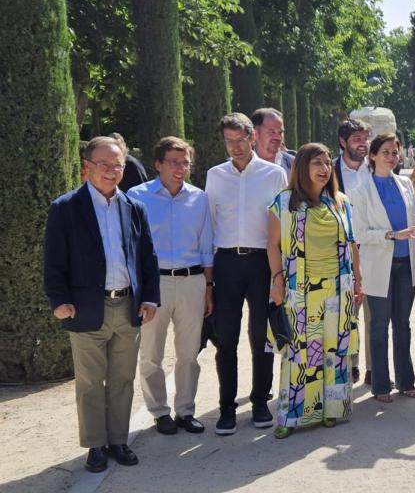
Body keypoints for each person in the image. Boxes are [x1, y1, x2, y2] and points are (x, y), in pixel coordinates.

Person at [44, 136, 160, 472]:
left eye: (118, 164)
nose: (112, 171)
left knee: (122, 379)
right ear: (87, 168)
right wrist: (60, 300)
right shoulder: (65, 209)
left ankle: (118, 441)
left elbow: (147, 257)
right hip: (85, 308)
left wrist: (150, 297)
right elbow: (54, 262)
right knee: (91, 383)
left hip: (128, 307)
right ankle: (95, 446)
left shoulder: (133, 207)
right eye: (104, 164)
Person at [267, 143, 363, 438]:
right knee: (299, 352)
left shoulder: (340, 201)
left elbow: (351, 243)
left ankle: (331, 409)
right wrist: (278, 279)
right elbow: (273, 244)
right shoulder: (283, 202)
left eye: (327, 163)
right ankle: (290, 415)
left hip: (339, 287)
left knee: (334, 350)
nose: (324, 169)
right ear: (302, 168)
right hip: (301, 288)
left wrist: (358, 280)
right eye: (316, 163)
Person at [206, 113, 288, 436]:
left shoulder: (273, 174)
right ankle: (227, 407)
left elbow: (283, 224)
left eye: (240, 140)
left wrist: (279, 274)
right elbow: (208, 225)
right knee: (226, 338)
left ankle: (259, 402)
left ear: (252, 137)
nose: (235, 147)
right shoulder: (215, 176)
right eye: (229, 141)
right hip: (226, 262)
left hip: (261, 264)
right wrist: (208, 279)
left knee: (261, 337)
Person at [128, 137, 213, 436]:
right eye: (174, 162)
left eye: (185, 162)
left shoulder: (199, 198)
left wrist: (208, 287)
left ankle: (186, 411)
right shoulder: (136, 196)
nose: (181, 168)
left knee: (189, 352)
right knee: (151, 353)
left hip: (192, 282)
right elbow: (132, 246)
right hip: (156, 283)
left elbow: (206, 245)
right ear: (158, 165)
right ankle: (159, 412)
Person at [349, 134, 415, 402]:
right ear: (373, 156)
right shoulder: (361, 191)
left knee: (403, 324)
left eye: (395, 152)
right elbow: (359, 233)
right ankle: (380, 385)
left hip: (406, 264)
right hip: (379, 266)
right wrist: (392, 234)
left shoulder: (405, 184)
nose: (392, 158)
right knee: (379, 325)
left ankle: (406, 381)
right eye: (386, 153)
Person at [333, 118, 373, 382]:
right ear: (343, 142)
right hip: (344, 251)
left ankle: (374, 368)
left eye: (365, 139)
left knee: (375, 314)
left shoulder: (376, 167)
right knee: (348, 313)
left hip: (374, 249)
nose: (363, 144)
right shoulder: (331, 171)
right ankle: (351, 363)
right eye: (357, 139)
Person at [252, 108, 294, 173]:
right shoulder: (237, 167)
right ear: (255, 134)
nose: (277, 137)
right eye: (272, 132)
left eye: (280, 132)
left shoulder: (294, 165)